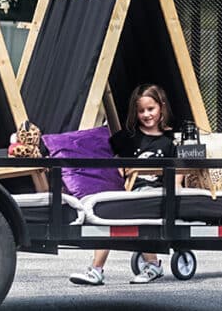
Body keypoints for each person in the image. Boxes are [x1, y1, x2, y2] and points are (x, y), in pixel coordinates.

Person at [69, 84, 178, 286]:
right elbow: (100, 149)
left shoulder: (170, 142)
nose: (146, 114)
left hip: (155, 194)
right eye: (141, 110)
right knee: (107, 213)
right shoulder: (129, 138)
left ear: (161, 107)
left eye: (150, 109)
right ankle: (98, 269)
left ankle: (148, 265)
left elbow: (177, 177)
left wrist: (173, 195)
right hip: (131, 192)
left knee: (127, 212)